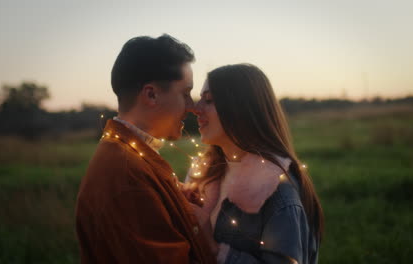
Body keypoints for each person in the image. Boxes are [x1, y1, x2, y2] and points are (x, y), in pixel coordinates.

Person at [75, 34, 216, 264]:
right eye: (185, 93)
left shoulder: (128, 153)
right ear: (151, 94)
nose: (192, 107)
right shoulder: (127, 171)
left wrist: (178, 203)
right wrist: (207, 240)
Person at [184, 64, 324, 264]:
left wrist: (213, 249)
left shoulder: (276, 189)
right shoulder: (204, 173)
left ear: (242, 109)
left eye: (209, 100)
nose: (196, 109)